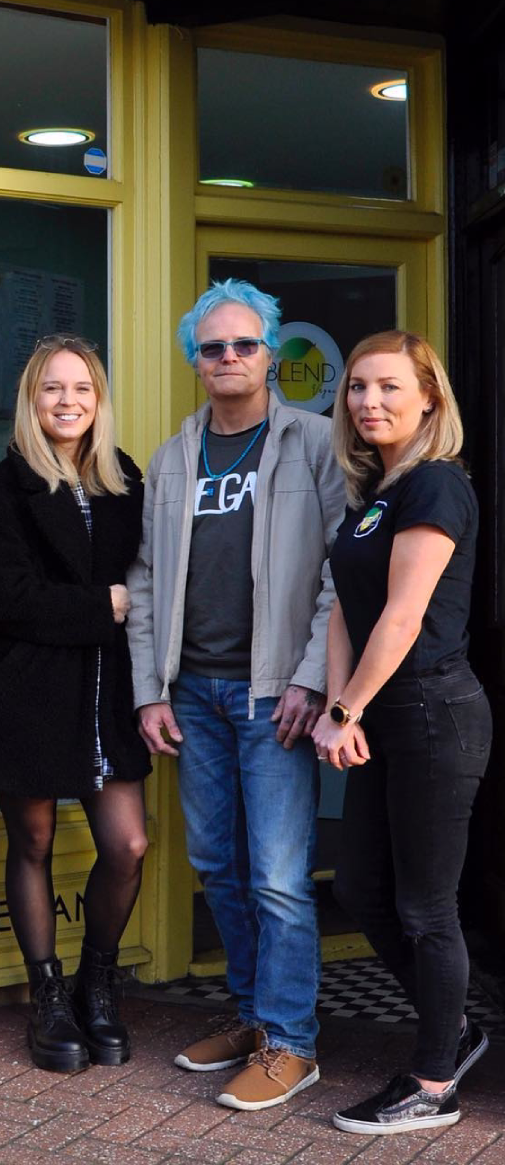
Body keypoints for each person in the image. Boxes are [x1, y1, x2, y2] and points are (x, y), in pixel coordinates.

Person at [127, 279, 345, 1110]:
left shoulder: (316, 443)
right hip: (195, 698)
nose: (228, 358)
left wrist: (310, 680)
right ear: (195, 360)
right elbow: (145, 583)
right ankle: (255, 1019)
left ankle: (294, 1045)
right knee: (218, 866)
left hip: (272, 698)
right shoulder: (172, 457)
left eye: (244, 345)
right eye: (212, 347)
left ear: (271, 354)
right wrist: (153, 691)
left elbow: (340, 575)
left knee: (281, 878)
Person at [312, 330, 491, 1134]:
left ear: (429, 398)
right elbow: (345, 611)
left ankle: (431, 1084)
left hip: (430, 712)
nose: (368, 402)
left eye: (388, 387)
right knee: (359, 889)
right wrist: (335, 706)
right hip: (381, 716)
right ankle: (448, 1033)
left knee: (426, 907)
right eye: (355, 387)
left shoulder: (435, 489)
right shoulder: (373, 493)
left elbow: (404, 615)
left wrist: (347, 708)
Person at [0, 334, 150, 1074]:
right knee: (33, 843)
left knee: (128, 845)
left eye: (81, 388)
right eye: (51, 389)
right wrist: (100, 605)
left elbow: (150, 579)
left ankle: (94, 986)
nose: (67, 401)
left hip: (108, 695)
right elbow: (6, 599)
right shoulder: (2, 487)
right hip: (27, 692)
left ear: (98, 400)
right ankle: (46, 999)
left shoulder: (124, 478)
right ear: (30, 401)